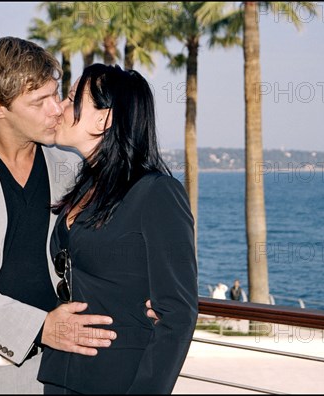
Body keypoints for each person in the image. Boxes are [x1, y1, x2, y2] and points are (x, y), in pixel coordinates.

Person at [0, 37, 156, 394]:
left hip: (48, 375)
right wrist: (39, 327)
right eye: (40, 101)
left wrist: (149, 295)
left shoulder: (71, 169)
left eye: (56, 94)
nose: (57, 109)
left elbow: (107, 251)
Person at [37, 64, 199, 394]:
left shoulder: (156, 193)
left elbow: (178, 314)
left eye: (70, 98)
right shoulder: (84, 187)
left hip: (117, 380)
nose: (61, 107)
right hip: (61, 375)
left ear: (104, 119)